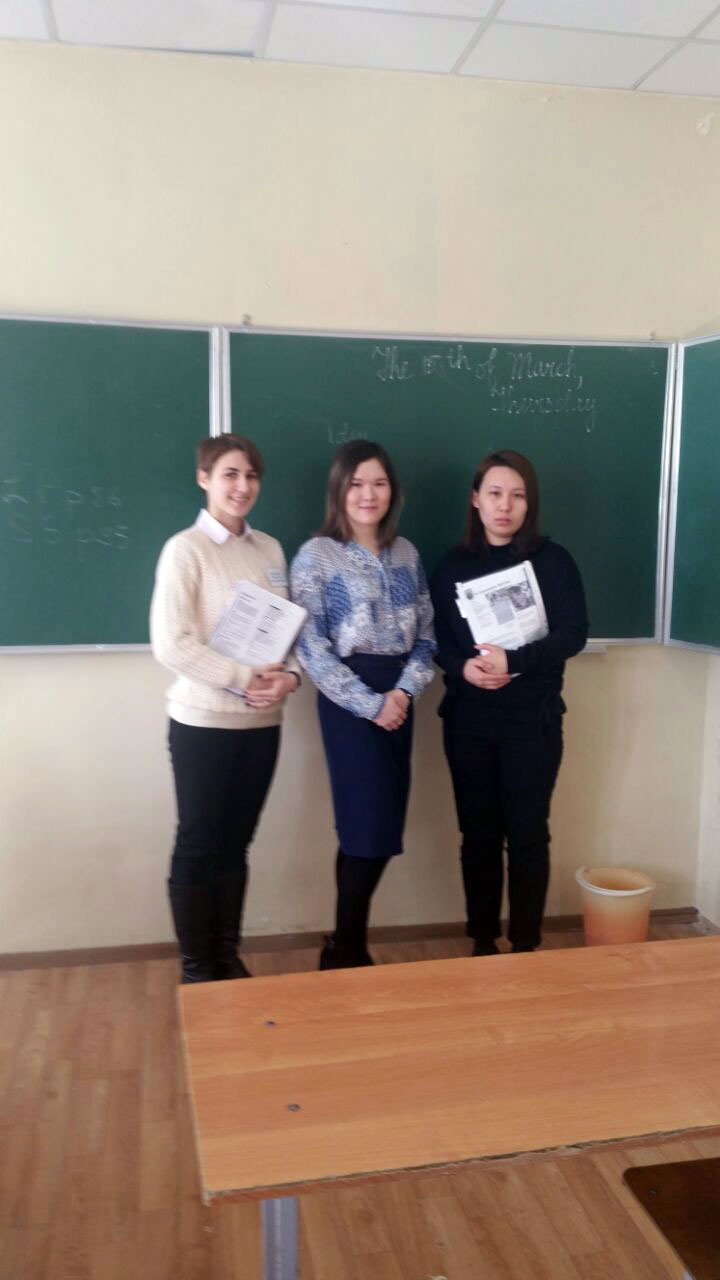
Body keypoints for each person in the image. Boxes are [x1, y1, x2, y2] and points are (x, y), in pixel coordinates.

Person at [150, 433, 300, 983]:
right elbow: (172, 645)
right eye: (230, 474)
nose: (242, 486)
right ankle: (197, 966)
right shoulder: (185, 550)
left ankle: (226, 954)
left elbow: (289, 631)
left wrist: (289, 678)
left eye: (251, 476)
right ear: (204, 478)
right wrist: (242, 678)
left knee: (237, 845)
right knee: (198, 844)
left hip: (262, 725)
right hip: (203, 724)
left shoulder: (270, 550)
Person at [430, 449, 588, 956]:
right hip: (468, 721)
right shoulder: (451, 565)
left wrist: (515, 660)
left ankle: (525, 945)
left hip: (532, 721)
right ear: (475, 500)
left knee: (527, 834)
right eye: (495, 494)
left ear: (529, 504)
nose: (505, 506)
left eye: (517, 496)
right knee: (477, 836)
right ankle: (482, 941)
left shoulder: (553, 561)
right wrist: (463, 668)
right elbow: (438, 640)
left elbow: (574, 633)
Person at [290, 440, 436, 970]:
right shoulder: (316, 557)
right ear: (339, 490)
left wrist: (403, 692)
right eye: (356, 484)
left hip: (399, 695)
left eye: (378, 483)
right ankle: (348, 947)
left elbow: (428, 634)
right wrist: (370, 704)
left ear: (392, 490)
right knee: (365, 827)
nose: (368, 494)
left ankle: (343, 942)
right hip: (349, 700)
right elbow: (311, 647)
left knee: (377, 827)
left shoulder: (407, 554)